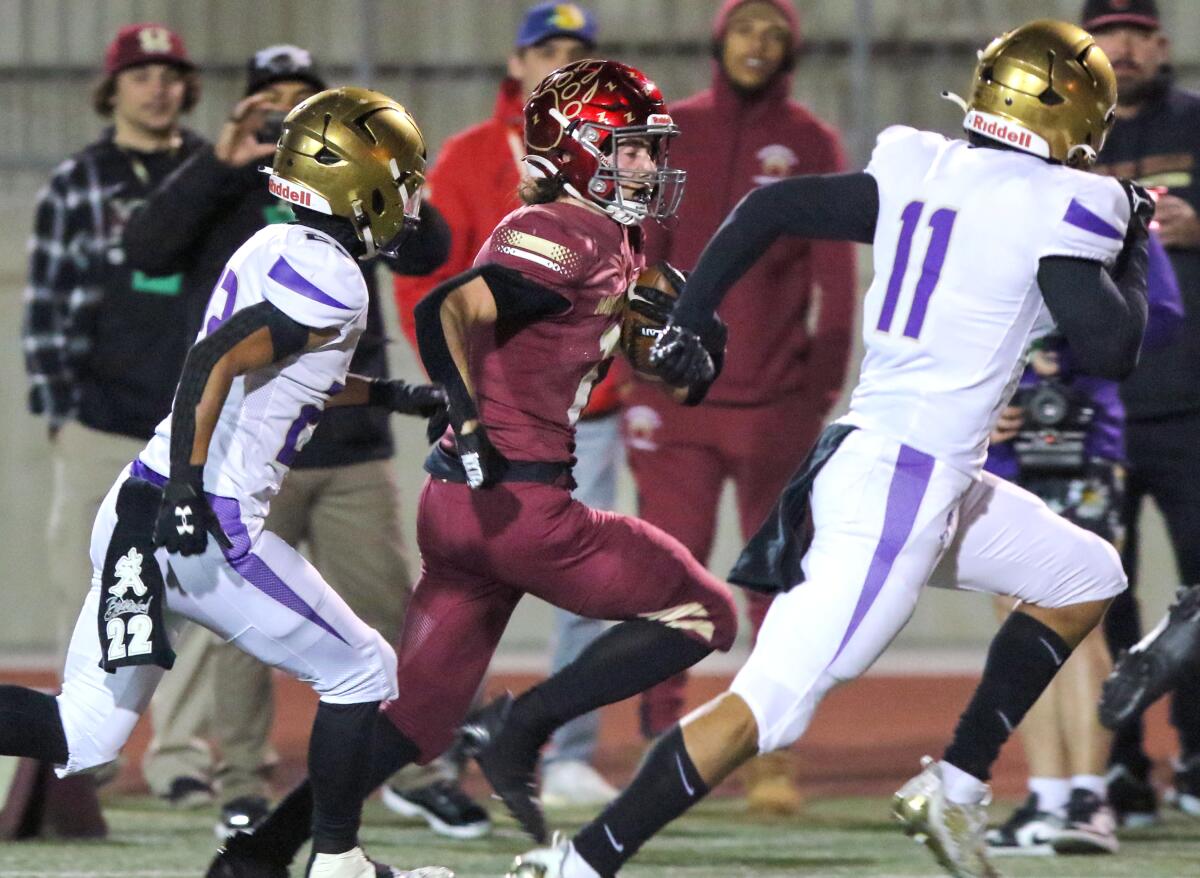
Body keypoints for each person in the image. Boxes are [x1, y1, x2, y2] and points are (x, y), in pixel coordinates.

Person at [506, 19, 1150, 878]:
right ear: (1075, 115)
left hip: (899, 462)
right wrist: (1133, 246)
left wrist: (696, 320)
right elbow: (1111, 349)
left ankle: (955, 784)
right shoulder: (1069, 200)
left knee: (1084, 576)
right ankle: (579, 865)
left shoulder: (923, 161)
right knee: (771, 707)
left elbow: (770, 207)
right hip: (905, 480)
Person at [205, 59, 738, 878]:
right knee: (705, 615)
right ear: (578, 149)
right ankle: (522, 727)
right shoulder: (568, 231)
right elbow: (447, 305)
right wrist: (463, 413)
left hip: (461, 510)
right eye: (627, 150)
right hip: (525, 510)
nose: (646, 165)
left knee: (408, 721)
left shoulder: (597, 232)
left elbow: (605, 338)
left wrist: (680, 355)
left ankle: (262, 855)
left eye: (647, 150)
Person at [1, 86, 452, 878]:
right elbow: (213, 364)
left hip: (139, 506)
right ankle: (335, 863)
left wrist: (391, 395)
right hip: (201, 518)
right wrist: (188, 494)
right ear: (357, 182)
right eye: (401, 175)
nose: (410, 195)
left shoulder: (271, 244)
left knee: (83, 734)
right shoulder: (333, 275)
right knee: (362, 669)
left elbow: (277, 374)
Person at [123, 44, 486, 841]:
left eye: (300, 102)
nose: (280, 114)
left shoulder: (356, 199)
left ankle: (411, 776)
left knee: (391, 614)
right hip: (239, 457)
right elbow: (149, 253)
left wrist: (384, 171)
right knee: (243, 640)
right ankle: (247, 789)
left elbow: (428, 247)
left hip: (344, 438)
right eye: (268, 102)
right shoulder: (226, 187)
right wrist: (223, 165)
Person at [391, 1, 620, 808]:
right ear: (517, 64)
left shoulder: (615, 160)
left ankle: (562, 752)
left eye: (578, 53)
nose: (561, 63)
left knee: (584, 592)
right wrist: (461, 388)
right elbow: (425, 280)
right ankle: (427, 749)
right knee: (464, 589)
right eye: (549, 49)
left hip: (581, 420)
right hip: (486, 419)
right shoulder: (471, 157)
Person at [628, 0, 855, 813]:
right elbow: (640, 257)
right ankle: (663, 742)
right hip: (674, 408)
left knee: (776, 584)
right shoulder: (670, 134)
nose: (760, 42)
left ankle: (771, 751)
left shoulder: (813, 142)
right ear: (719, 36)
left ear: (792, 45)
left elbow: (836, 284)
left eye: (775, 28)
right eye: (746, 24)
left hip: (776, 410)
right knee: (669, 578)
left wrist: (818, 392)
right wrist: (638, 368)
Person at [982, 235, 1180, 857]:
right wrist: (990, 400)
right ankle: (1046, 795)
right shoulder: (995, 213)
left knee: (1081, 623)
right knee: (1014, 621)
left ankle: (1090, 797)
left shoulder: (1119, 220)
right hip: (1005, 453)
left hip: (1083, 443)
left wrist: (1070, 354)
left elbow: (1164, 316)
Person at [1079, 0, 1200, 826]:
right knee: (1092, 596)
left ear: (1163, 43)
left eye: (1138, 33)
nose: (1124, 48)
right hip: (1096, 411)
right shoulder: (1061, 138)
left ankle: (1196, 756)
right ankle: (1120, 769)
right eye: (1107, 33)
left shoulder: (1197, 122)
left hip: (1193, 405)